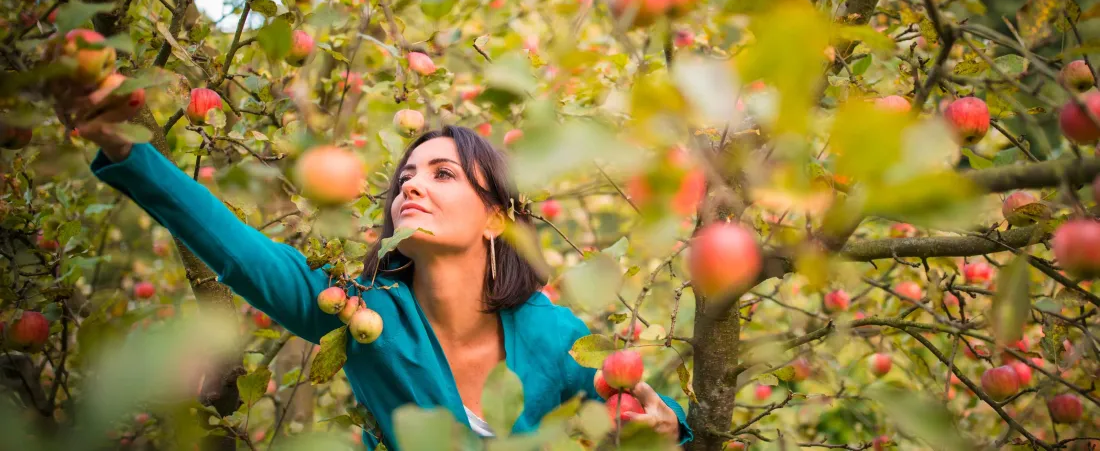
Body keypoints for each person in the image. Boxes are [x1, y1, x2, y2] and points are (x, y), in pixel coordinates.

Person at [64, 89, 693, 450]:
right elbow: (239, 251)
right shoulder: (364, 314)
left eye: (443, 173)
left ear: (495, 218)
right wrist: (129, 150)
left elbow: (645, 417)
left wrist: (665, 428)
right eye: (406, 177)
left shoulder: (554, 337)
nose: (412, 185)